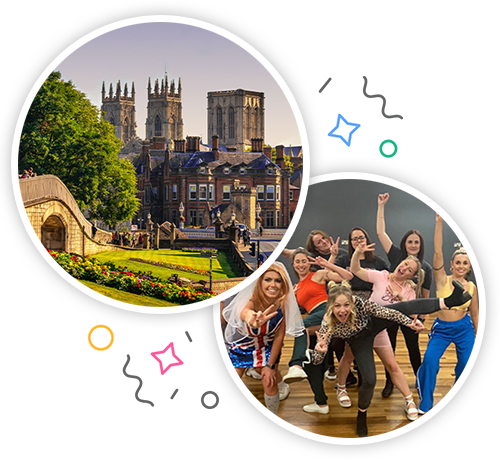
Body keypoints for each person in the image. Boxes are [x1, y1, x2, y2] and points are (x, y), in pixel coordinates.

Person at [310, 279, 472, 437]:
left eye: (346, 305)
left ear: (352, 302)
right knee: (370, 379)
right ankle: (362, 415)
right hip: (359, 340)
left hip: (373, 324)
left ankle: (451, 301)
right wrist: (321, 351)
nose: (342, 310)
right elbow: (317, 360)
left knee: (403, 306)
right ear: (331, 307)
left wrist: (408, 323)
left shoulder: (360, 303)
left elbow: (388, 313)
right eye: (337, 306)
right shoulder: (327, 323)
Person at [348, 240, 425, 419]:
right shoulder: (381, 276)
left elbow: (412, 316)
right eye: (405, 263)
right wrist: (357, 254)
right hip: (361, 327)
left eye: (409, 270)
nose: (404, 268)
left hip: (380, 331)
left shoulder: (408, 290)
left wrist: (399, 297)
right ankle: (342, 390)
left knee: (392, 365)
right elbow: (356, 270)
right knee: (347, 359)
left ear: (411, 276)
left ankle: (409, 401)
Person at [416, 214, 479, 414]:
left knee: (466, 364)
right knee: (430, 362)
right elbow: (437, 252)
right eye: (458, 262)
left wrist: (477, 336)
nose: (461, 266)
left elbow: (475, 314)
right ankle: (426, 403)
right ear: (452, 264)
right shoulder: (443, 279)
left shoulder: (472, 287)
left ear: (469, 267)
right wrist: (439, 223)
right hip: (442, 329)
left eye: (465, 263)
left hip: (464, 329)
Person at [223, 262, 305, 414]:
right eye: (268, 279)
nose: (272, 285)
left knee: (269, 379)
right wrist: (251, 320)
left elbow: (280, 336)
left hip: (266, 346)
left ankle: (273, 414)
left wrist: (270, 366)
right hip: (243, 346)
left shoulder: (282, 304)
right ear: (260, 282)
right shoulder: (251, 299)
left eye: (277, 280)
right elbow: (245, 311)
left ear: (283, 284)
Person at [376, 192, 433, 395]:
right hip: (390, 311)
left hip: (411, 315)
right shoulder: (396, 256)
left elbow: (425, 297)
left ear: (420, 245)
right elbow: (381, 233)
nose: (413, 245)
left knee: (413, 349)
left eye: (417, 242)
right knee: (388, 348)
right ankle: (389, 382)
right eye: (410, 241)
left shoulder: (425, 268)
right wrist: (381, 206)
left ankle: (419, 381)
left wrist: (423, 319)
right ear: (405, 244)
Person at [282, 248, 353, 385]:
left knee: (300, 327)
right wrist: (290, 297)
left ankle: (296, 365)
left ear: (309, 263)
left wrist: (327, 265)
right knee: (306, 332)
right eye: (297, 262)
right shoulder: (297, 286)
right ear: (293, 265)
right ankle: (320, 371)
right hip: (316, 316)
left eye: (304, 261)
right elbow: (290, 310)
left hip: (327, 309)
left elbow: (347, 276)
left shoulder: (317, 275)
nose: (301, 265)